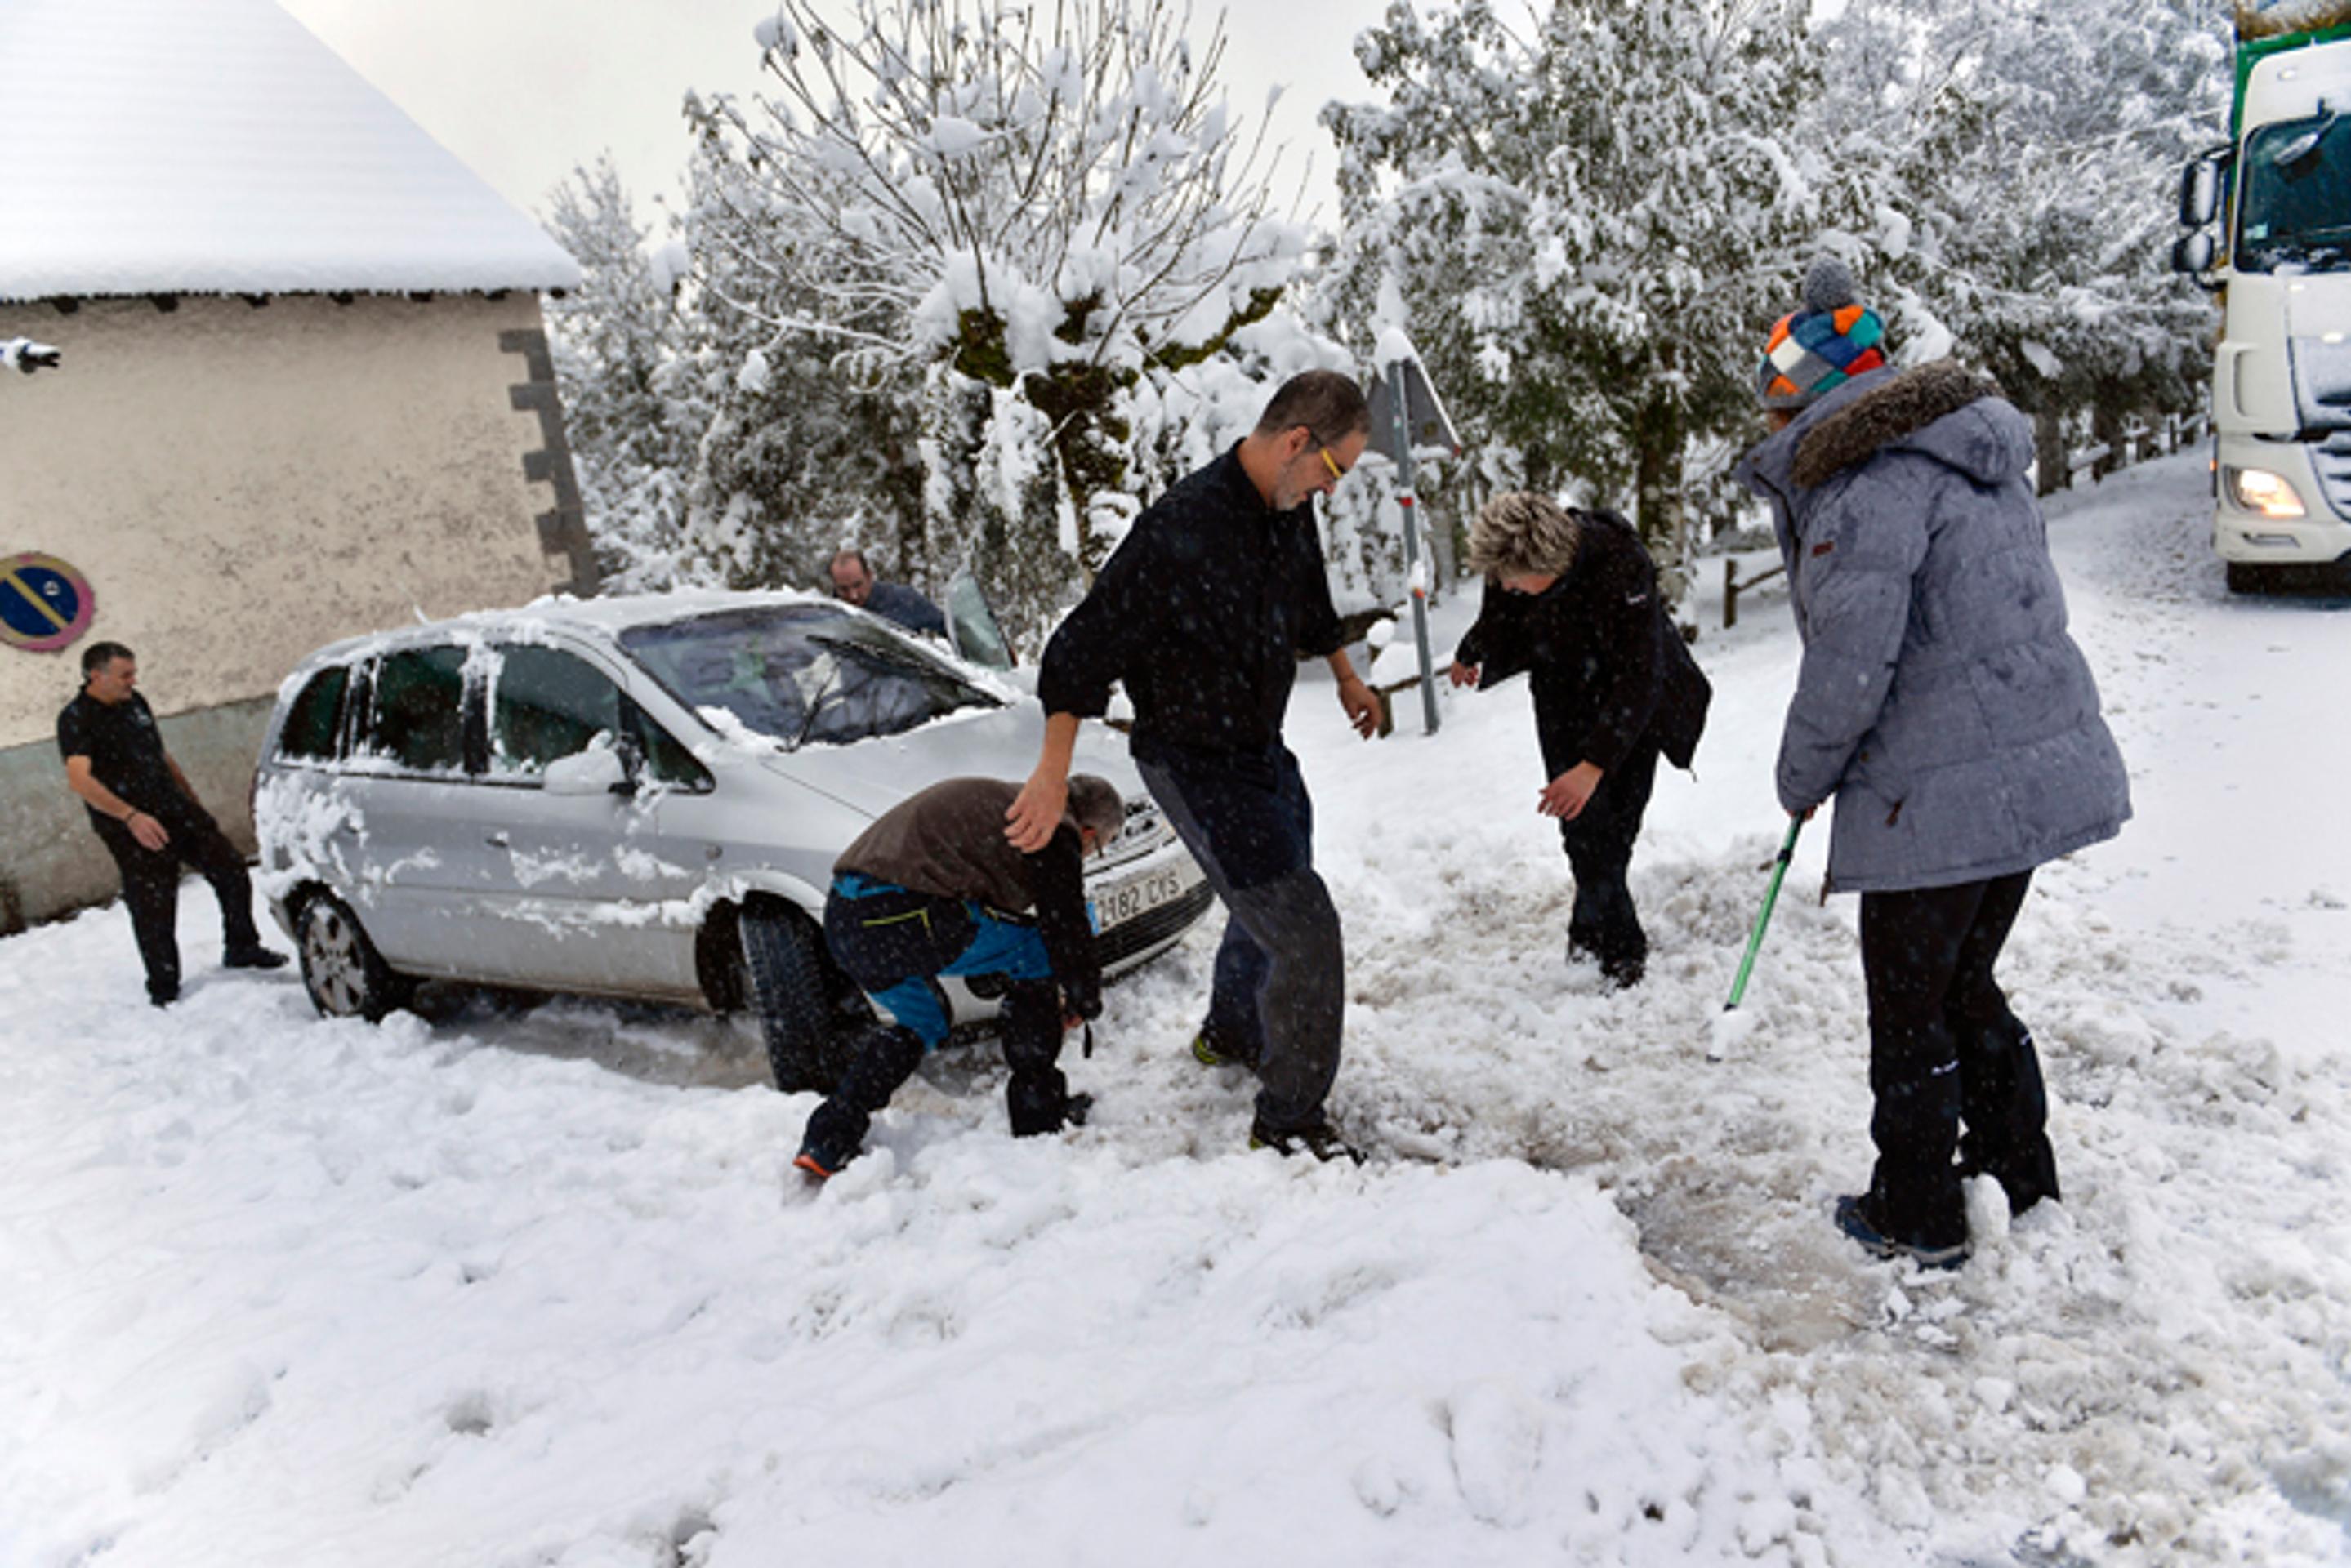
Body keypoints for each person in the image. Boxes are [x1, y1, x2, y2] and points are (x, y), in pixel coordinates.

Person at [1733, 255, 2130, 1268]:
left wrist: (1801, 779)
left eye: (1774, 402)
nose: (1768, 422)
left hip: (1939, 789)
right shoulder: (1962, 455)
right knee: (1961, 983)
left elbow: (1849, 663)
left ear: (1807, 397)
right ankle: (2017, 1169)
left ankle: (1915, 1210)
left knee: (1910, 1004)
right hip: (2023, 767)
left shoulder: (1867, 484)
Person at [1005, 369, 1383, 1163]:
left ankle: (1232, 1031)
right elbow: (1078, 651)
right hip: (1194, 761)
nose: (1333, 488)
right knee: (1304, 928)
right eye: (1335, 469)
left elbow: (1309, 598)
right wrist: (1051, 774)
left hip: (1258, 747)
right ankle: (1288, 1121)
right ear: (1296, 442)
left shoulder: (1288, 507)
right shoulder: (1178, 531)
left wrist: (1347, 676)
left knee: (1275, 888)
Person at [795, 773, 1128, 1179]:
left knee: (922, 1022)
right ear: (1088, 831)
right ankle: (1038, 1116)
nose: (1086, 855)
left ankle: (829, 1137)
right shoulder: (1053, 824)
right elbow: (1065, 922)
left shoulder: (1011, 803)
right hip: (902, 914)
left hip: (847, 920)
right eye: (1097, 847)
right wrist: (1082, 998)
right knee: (1038, 951)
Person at [1447, 493, 1712, 988]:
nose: (1506, 587)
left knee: (1618, 825)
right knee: (1583, 829)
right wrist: (1471, 650)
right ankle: (1615, 947)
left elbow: (1640, 674)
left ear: (1546, 563)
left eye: (1514, 580)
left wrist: (1593, 766)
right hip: (1562, 696)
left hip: (1634, 705)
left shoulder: (1619, 561)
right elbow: (1500, 615)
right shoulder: (1509, 566)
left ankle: (1597, 937)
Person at [57, 641, 288, 1005]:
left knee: (230, 868)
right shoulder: (76, 719)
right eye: (125, 675)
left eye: (133, 673)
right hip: (130, 823)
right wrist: (130, 816)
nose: (133, 681)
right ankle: (163, 984)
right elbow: (79, 780)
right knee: (154, 902)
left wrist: (190, 800)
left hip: (174, 808)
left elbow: (160, 754)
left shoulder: (135, 702)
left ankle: (242, 946)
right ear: (96, 676)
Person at [828, 548, 947, 638]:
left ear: (869, 576)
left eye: (858, 585)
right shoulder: (829, 616)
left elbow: (949, 629)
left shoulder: (904, 600)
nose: (853, 595)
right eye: (844, 589)